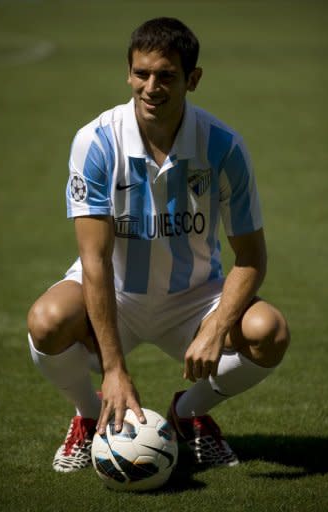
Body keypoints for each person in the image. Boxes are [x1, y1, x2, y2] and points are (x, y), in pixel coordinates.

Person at [27, 17, 290, 473]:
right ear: (129, 73)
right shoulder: (96, 142)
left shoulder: (224, 147)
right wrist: (113, 369)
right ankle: (89, 416)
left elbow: (251, 257)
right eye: (141, 74)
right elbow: (95, 260)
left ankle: (187, 414)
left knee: (270, 332)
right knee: (45, 321)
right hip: (117, 294)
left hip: (195, 298)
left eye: (166, 75)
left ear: (193, 79)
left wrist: (215, 327)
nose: (151, 87)